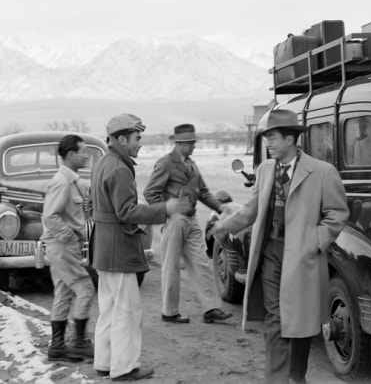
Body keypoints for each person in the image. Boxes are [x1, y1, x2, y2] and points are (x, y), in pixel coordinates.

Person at [210, 109, 349, 384]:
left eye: (272, 138)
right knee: (275, 319)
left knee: (300, 321)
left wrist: (314, 242)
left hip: (303, 257)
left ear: (290, 139)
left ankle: (297, 377)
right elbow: (251, 209)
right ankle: (275, 380)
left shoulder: (322, 172)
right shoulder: (264, 170)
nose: (269, 144)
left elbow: (337, 214)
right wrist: (225, 226)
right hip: (271, 253)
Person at [91, 113, 189, 381]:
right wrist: (164, 209)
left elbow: (96, 206)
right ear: (122, 139)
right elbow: (126, 211)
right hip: (119, 249)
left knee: (109, 310)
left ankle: (104, 363)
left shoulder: (103, 163)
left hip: (103, 248)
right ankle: (123, 368)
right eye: (136, 138)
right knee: (127, 312)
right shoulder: (119, 168)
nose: (140, 144)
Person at [143, 123, 232, 325]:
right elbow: (150, 192)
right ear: (178, 143)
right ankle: (169, 312)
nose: (193, 146)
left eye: (193, 142)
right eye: (189, 143)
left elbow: (203, 192)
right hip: (175, 220)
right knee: (171, 266)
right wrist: (166, 210)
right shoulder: (165, 163)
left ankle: (211, 309)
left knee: (202, 263)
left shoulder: (192, 165)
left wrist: (221, 208)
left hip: (191, 220)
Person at [41, 134, 96, 363]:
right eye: (83, 151)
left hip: (63, 245)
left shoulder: (72, 181)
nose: (86, 155)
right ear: (71, 155)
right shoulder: (63, 182)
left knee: (63, 293)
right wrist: (67, 236)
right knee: (85, 289)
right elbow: (50, 215)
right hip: (63, 245)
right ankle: (80, 342)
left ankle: (57, 348)